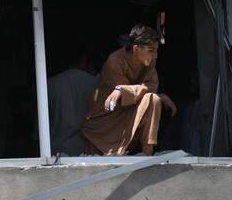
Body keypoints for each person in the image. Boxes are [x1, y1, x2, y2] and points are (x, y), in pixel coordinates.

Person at [82, 24, 176, 156]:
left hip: (129, 113)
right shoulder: (114, 62)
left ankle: (147, 153)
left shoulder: (149, 61)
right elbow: (127, 99)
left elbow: (151, 85)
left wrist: (123, 90)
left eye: (156, 50)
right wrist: (122, 90)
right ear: (136, 48)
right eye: (151, 50)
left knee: (153, 99)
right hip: (107, 121)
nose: (155, 55)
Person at [48, 42, 98, 156]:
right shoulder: (93, 83)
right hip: (85, 150)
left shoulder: (49, 84)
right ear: (84, 59)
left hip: (54, 151)